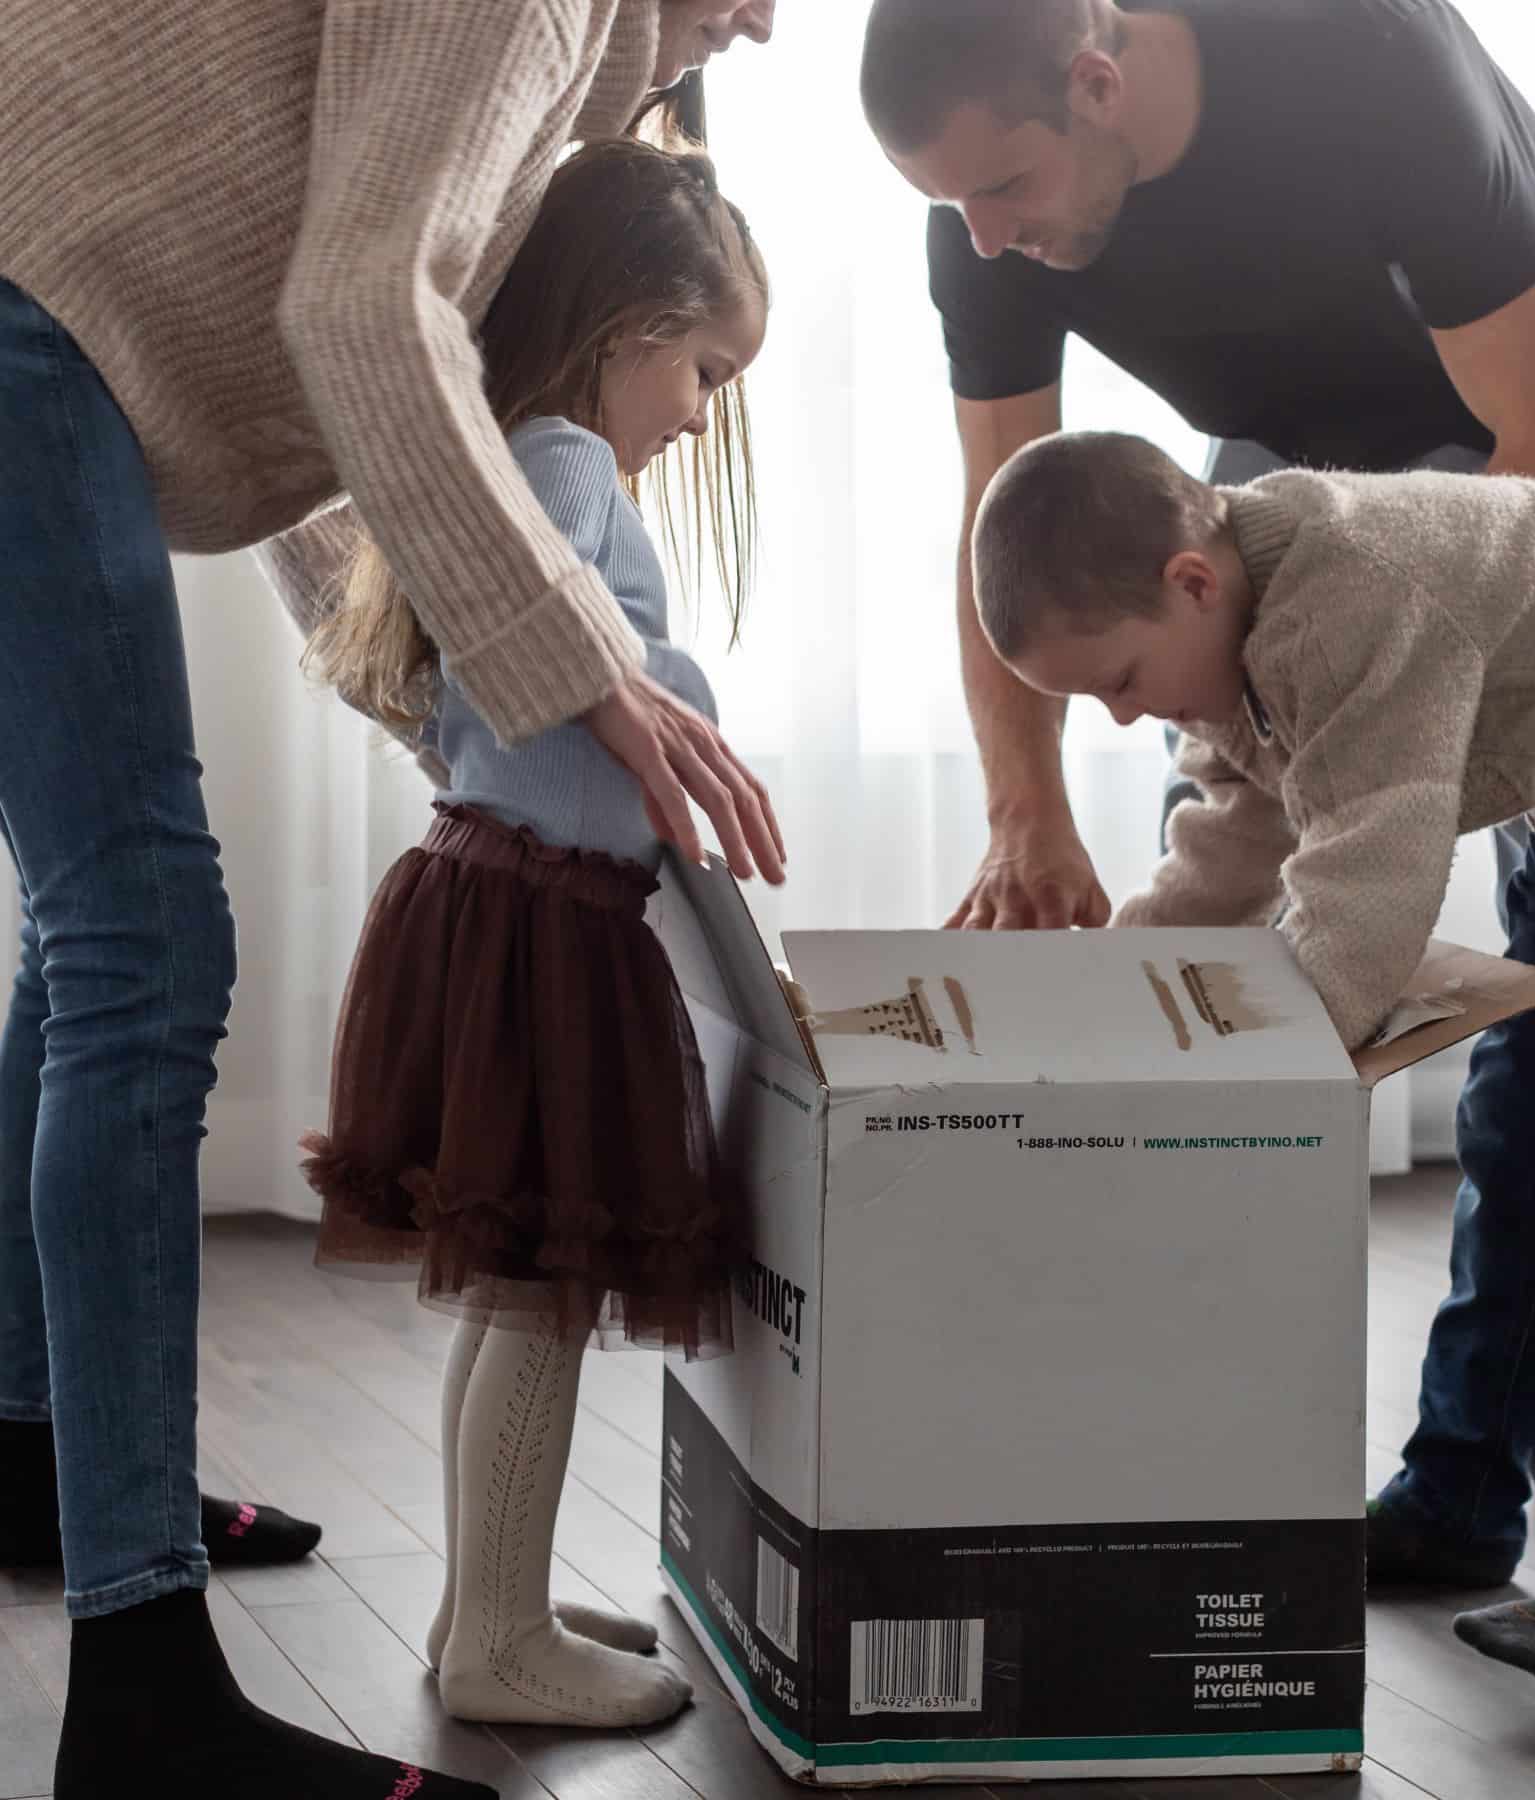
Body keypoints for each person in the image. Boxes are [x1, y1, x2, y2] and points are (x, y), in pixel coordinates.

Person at [0, 4, 779, 1793]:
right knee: (142, 944)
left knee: (85, 939)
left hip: (54, 323)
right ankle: (139, 1680)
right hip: (26, 310)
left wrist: (432, 664)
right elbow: (355, 318)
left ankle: (38, 1446)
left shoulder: (588, 70)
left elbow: (333, 359)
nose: (764, 22)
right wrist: (583, 672)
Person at [859, 0, 1535, 1536]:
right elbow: (1004, 535)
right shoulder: (985, 228)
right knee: (1223, 878)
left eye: (1006, 191)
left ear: (1097, 84)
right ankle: (1202, 1342)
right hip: (1281, 464)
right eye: (953, 208)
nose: (982, 236)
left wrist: (1391, 752)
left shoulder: (1363, 53)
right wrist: (1022, 817)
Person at [970, 431, 1535, 1700]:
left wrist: (1223, 1100)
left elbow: (1364, 896)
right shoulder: (1241, 636)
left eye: (1117, 680)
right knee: (1522, 1159)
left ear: (1191, 582)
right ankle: (1459, 1501)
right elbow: (1231, 846)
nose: (1120, 716)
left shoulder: (1352, 596)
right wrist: (1105, 1001)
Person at [300, 136, 768, 1731]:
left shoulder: (507, 452)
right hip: (543, 922)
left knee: (513, 1289)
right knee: (546, 1293)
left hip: (494, 895)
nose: (700, 412)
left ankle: (477, 1606)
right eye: (703, 368)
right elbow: (577, 665)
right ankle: (498, 1637)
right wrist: (685, 699)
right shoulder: (564, 456)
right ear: (629, 320)